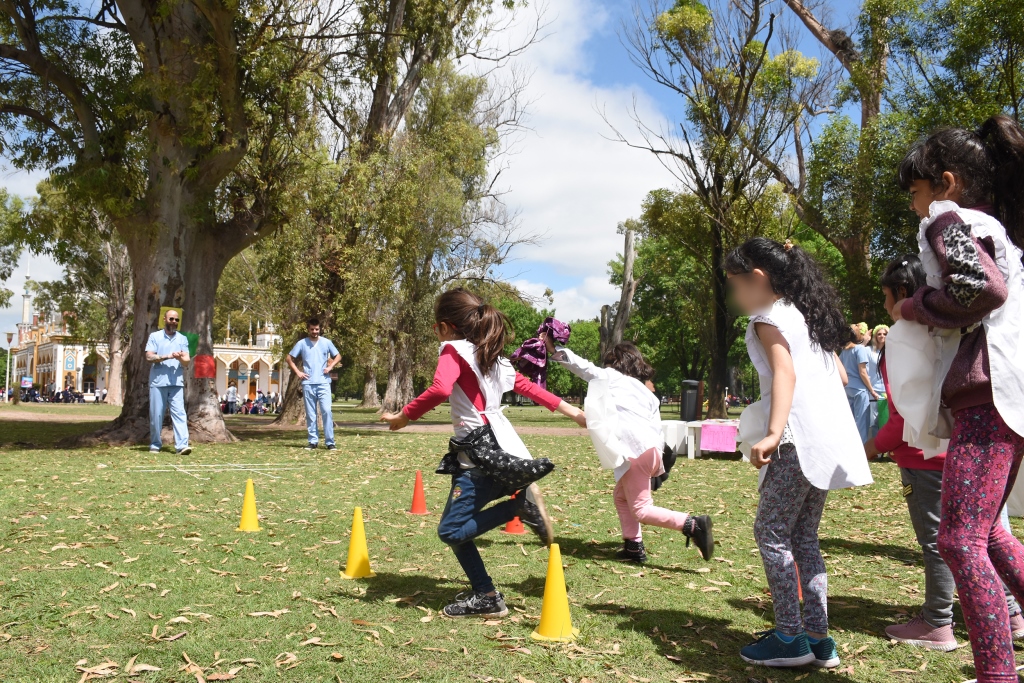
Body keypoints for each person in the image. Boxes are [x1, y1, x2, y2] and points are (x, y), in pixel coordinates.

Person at [892, 116, 1024, 683]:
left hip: (987, 395)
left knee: (959, 539)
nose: (916, 207)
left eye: (917, 193)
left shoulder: (948, 220)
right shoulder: (994, 228)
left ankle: (997, 673)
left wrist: (916, 306)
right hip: (1009, 395)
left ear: (945, 183)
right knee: (989, 532)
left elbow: (979, 289)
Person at [380, 288, 587, 619]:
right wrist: (575, 413)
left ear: (446, 327)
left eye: (436, 328)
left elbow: (440, 389)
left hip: (479, 459)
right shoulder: (486, 353)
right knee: (458, 529)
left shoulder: (453, 351)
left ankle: (519, 508)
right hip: (500, 450)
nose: (437, 334)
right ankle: (486, 596)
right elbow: (528, 387)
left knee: (450, 531)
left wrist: (405, 417)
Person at [725, 237, 873, 669]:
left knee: (771, 532)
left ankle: (790, 637)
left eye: (736, 286)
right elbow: (842, 377)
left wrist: (773, 432)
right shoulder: (809, 318)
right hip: (825, 442)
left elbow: (785, 371)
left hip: (794, 441)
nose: (736, 298)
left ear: (758, 279)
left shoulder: (767, 319)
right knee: (804, 537)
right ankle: (819, 639)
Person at [866, 255, 1024, 652]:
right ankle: (1011, 613)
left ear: (903, 293)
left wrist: (870, 447)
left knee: (945, 543)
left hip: (929, 462)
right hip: (982, 452)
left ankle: (938, 621)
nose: (887, 307)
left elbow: (904, 417)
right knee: (989, 536)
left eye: (887, 297)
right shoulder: (960, 329)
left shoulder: (903, 338)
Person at [544, 335, 713, 564]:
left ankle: (693, 525)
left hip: (634, 452)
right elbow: (656, 427)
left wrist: (555, 350)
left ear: (616, 363)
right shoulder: (646, 393)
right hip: (650, 451)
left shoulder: (612, 377)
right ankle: (633, 547)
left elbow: (583, 367)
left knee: (642, 509)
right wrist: (659, 466)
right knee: (621, 497)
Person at [286, 318, 341, 450]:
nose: (314, 332)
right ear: (308, 329)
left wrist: (331, 366)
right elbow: (289, 358)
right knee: (311, 414)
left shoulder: (326, 342)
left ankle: (330, 442)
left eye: (317, 329)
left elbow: (338, 356)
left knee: (327, 411)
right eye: (312, 329)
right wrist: (298, 372)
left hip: (323, 382)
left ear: (320, 329)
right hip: (308, 383)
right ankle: (313, 441)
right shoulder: (302, 343)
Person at [145, 308, 192, 455]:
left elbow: (186, 361)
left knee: (179, 414)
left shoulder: (182, 339)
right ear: (164, 319)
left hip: (176, 382)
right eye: (171, 319)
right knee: (156, 415)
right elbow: (149, 357)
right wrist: (167, 356)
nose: (174, 322)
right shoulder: (155, 337)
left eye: (177, 320)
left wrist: (179, 357)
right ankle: (155, 444)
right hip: (158, 382)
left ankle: (182, 446)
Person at [839, 324, 878, 442]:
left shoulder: (844, 351)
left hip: (847, 388)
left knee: (850, 421)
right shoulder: (859, 349)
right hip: (859, 389)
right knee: (862, 421)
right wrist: (871, 390)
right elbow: (863, 372)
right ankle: (863, 449)